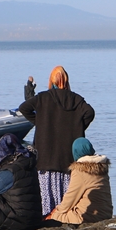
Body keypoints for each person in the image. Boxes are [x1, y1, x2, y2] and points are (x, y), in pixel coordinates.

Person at [19, 66, 95, 216]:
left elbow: (24, 108)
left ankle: (48, 220)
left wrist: (39, 122)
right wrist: (77, 126)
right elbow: (90, 113)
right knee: (68, 196)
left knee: (46, 199)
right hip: (67, 158)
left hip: (46, 158)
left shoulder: (43, 97)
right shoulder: (76, 99)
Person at [49, 137, 113, 224]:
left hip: (89, 216)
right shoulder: (102, 167)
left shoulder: (80, 170)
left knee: (54, 217)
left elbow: (71, 196)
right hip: (106, 213)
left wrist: (57, 211)